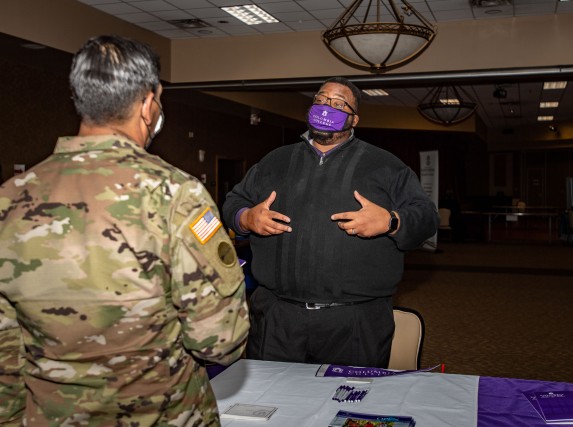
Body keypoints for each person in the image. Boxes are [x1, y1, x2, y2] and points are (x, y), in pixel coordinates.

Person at [0, 35, 249, 425]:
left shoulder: (8, 199)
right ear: (149, 104)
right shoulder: (176, 195)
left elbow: (4, 348)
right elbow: (220, 339)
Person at [222, 77, 439, 368]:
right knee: (274, 406)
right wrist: (246, 218)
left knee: (349, 409)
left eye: (338, 104)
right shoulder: (275, 161)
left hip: (355, 322)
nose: (327, 107)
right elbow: (233, 202)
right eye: (321, 100)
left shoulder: (386, 165)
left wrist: (391, 221)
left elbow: (427, 217)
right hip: (278, 318)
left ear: (354, 119)